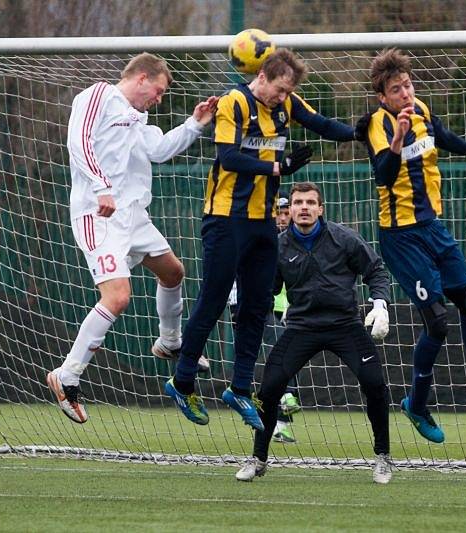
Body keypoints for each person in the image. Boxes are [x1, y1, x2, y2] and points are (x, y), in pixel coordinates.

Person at [165, 48, 363, 428]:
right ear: (263, 76)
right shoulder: (233, 102)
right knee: (214, 299)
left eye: (289, 92)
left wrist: (363, 132)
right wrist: (278, 166)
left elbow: (321, 124)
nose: (284, 97)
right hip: (226, 218)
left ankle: (240, 389)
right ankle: (183, 380)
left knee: (257, 305)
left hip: (262, 221)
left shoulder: (285, 104)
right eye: (281, 89)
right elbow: (228, 157)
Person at [359, 48, 466, 444]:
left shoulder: (419, 108)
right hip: (401, 237)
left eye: (407, 85)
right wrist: (399, 137)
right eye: (396, 89)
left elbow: (442, 134)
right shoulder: (377, 124)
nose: (405, 93)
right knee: (437, 322)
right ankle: (416, 405)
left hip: (432, 226)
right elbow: (384, 175)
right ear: (382, 96)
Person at [47, 53, 217, 423]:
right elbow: (78, 142)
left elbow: (158, 151)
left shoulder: (139, 118)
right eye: (157, 91)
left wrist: (195, 123)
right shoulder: (98, 95)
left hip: (133, 217)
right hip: (99, 214)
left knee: (173, 272)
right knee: (118, 297)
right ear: (141, 78)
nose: (158, 100)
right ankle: (67, 375)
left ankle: (170, 342)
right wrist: (101, 186)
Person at [236, 182, 393, 484]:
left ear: (321, 209)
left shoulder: (344, 239)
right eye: (297, 203)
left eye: (310, 202)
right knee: (268, 389)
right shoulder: (278, 246)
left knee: (375, 383)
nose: (303, 207)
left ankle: (383, 457)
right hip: (301, 327)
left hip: (345, 325)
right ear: (289, 210)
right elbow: (268, 290)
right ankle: (258, 458)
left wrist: (381, 304)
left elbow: (376, 271)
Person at [228, 190, 301, 443]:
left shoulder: (294, 240)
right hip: (255, 305)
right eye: (277, 213)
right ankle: (282, 397)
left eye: (284, 213)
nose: (282, 218)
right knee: (279, 352)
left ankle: (280, 423)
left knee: (285, 357)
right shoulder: (258, 237)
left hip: (286, 307)